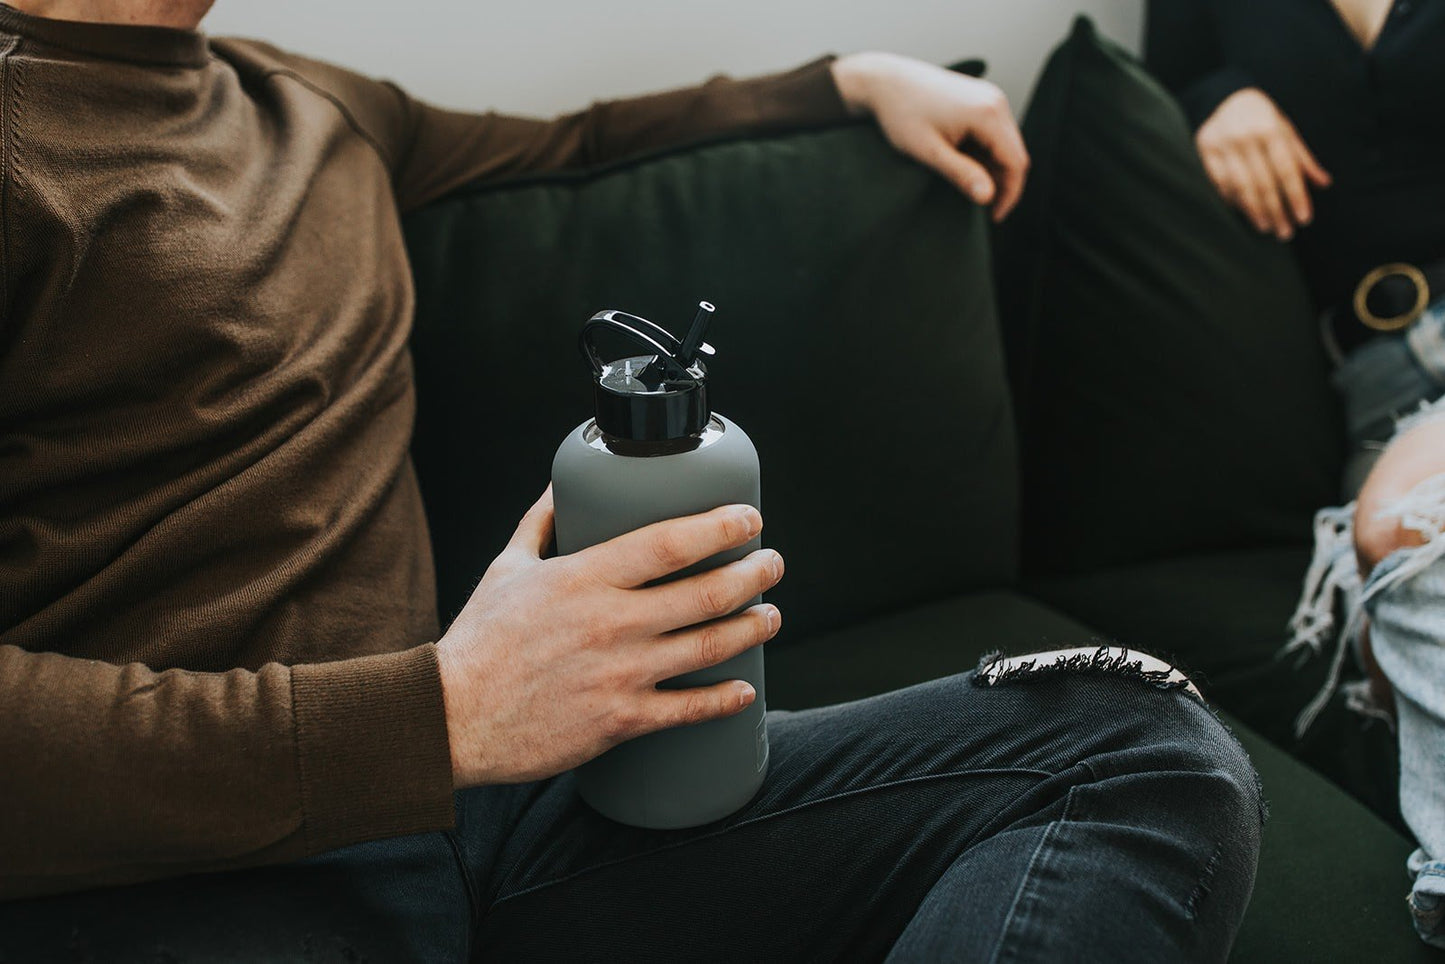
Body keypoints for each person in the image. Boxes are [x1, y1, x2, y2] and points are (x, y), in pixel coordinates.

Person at [0, 1, 1262, 959]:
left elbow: (584, 144)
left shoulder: (298, 101)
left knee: (1139, 752)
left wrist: (843, 79)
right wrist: (436, 713)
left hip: (468, 818)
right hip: (165, 881)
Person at [1147, 0, 1445, 947]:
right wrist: (1215, 96)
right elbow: (1174, 67)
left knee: (1405, 530)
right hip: (1379, 379)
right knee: (1400, 547)